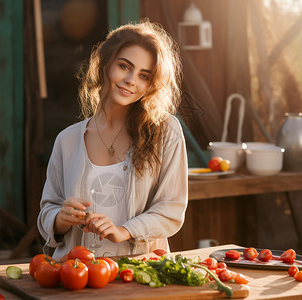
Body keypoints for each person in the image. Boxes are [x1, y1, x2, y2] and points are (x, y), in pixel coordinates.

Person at [37, 20, 188, 260]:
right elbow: (48, 210)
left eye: (144, 75)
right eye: (124, 66)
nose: (131, 80)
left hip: (140, 274)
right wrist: (59, 219)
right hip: (76, 273)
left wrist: (124, 231)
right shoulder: (67, 140)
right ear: (105, 64)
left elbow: (171, 209)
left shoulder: (166, 132)